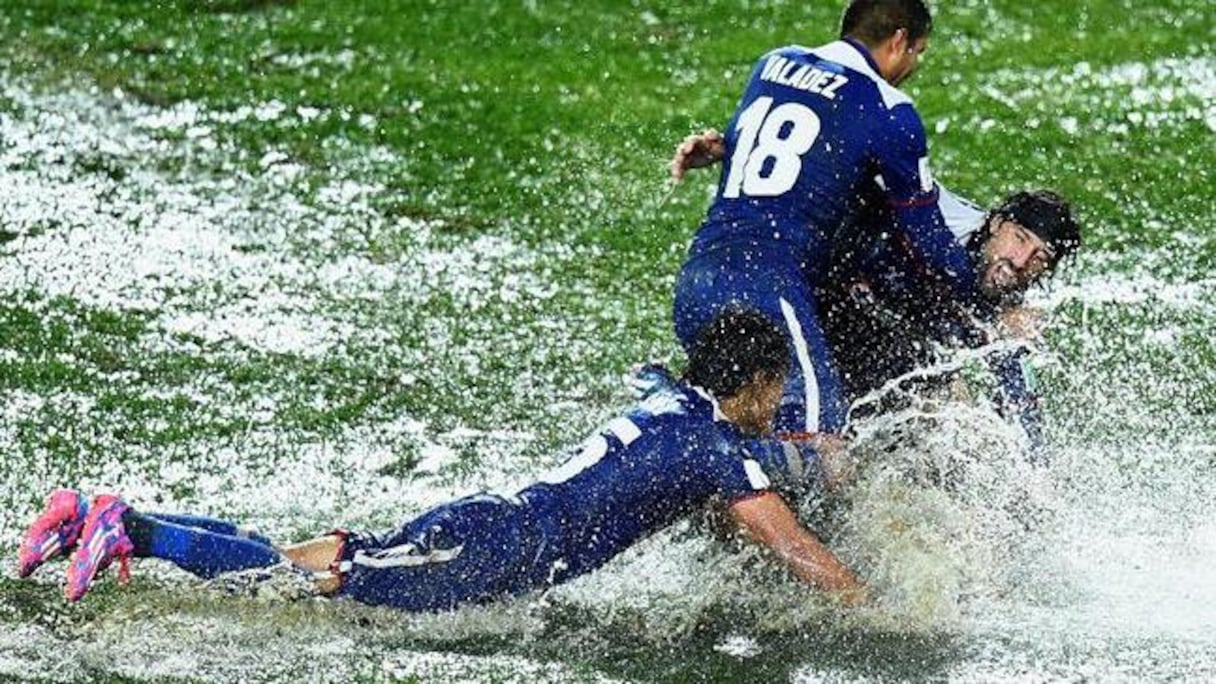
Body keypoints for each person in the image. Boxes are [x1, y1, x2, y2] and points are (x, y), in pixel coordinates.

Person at [18, 309, 866, 611]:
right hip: (494, 548)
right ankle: (129, 529)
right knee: (304, 589)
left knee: (305, 561)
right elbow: (798, 552)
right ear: (753, 382)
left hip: (490, 527)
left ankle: (106, 516)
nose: (774, 406)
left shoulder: (668, 400)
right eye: (773, 389)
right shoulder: (715, 449)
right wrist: (875, 604)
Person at [673, 124, 1082, 456]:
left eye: (1041, 257)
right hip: (821, 312)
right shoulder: (937, 215)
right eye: (1020, 238)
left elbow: (1020, 393)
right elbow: (853, 167)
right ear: (996, 224)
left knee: (961, 435)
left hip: (888, 350)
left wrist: (1035, 469)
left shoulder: (1007, 295)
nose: (1021, 260)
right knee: (750, 417)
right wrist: (738, 148)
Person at [673, 0, 979, 441]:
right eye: (919, 51)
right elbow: (926, 237)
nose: (915, 65)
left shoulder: (772, 63)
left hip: (697, 278)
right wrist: (984, 299)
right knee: (821, 440)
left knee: (726, 428)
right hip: (768, 284)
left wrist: (725, 146)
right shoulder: (890, 110)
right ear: (898, 40)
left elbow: (788, 146)